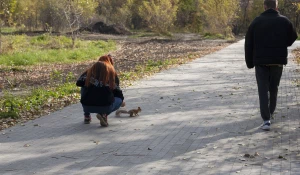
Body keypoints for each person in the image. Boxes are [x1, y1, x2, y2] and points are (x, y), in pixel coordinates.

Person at [245, 0, 298, 131]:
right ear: (276, 6)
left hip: (260, 62)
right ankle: (271, 111)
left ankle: (266, 120)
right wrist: (282, 43)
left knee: (262, 90)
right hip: (277, 61)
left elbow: (248, 43)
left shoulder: (256, 21)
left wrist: (249, 62)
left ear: (265, 6)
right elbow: (293, 37)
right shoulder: (284, 21)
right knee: (274, 88)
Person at [76, 61, 124, 127]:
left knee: (84, 87)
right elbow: (118, 92)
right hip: (105, 107)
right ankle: (104, 114)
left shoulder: (87, 77)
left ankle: (87, 115)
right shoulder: (109, 79)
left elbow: (78, 83)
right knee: (119, 99)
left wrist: (89, 78)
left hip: (87, 107)